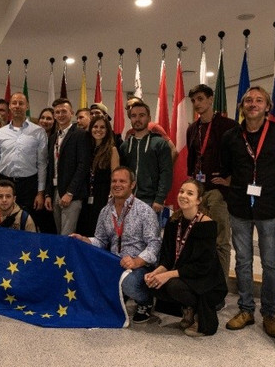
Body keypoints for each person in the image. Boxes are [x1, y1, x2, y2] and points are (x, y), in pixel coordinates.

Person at [220, 86, 275, 339]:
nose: (253, 103)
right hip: (239, 207)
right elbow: (226, 169)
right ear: (242, 106)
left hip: (269, 208)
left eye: (259, 100)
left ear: (268, 107)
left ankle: (269, 313)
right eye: (248, 100)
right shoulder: (231, 137)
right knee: (243, 261)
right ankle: (246, 309)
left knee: (270, 263)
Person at [71, 167, 161, 324]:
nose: (117, 184)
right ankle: (119, 295)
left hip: (139, 265)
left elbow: (154, 245)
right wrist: (85, 240)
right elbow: (101, 240)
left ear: (132, 185)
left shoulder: (145, 211)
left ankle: (145, 301)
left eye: (122, 181)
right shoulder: (105, 211)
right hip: (114, 262)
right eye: (114, 181)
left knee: (129, 283)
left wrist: (136, 261)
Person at [144, 179, 228, 336]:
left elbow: (202, 266)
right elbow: (167, 257)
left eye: (190, 193)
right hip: (184, 275)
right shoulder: (173, 221)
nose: (183, 196)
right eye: (181, 191)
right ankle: (187, 308)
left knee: (172, 285)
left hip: (205, 280)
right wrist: (157, 272)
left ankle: (197, 313)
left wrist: (167, 275)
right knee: (152, 283)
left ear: (199, 200)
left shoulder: (207, 225)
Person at [185, 84, 238, 280]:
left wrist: (229, 179)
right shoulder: (193, 128)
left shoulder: (228, 126)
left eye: (200, 99)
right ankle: (202, 281)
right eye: (193, 100)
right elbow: (191, 159)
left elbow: (239, 157)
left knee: (220, 240)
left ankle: (220, 287)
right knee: (197, 238)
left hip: (217, 191)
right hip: (198, 190)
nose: (196, 104)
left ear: (210, 99)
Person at [0, 92, 48, 231]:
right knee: (3, 225)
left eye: (21, 103)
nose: (17, 106)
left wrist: (40, 193)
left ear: (27, 106)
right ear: (10, 107)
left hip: (29, 186)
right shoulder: (0, 133)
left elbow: (42, 164)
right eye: (14, 103)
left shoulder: (38, 132)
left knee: (28, 223)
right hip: (4, 183)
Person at [118, 100, 173, 214]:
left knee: (150, 232)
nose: (137, 119)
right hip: (128, 200)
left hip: (151, 202)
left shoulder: (159, 143)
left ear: (149, 118)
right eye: (134, 116)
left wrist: (159, 198)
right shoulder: (125, 145)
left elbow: (166, 173)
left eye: (141, 115)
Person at [45, 98, 90, 235]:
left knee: (67, 235)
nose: (60, 115)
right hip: (56, 191)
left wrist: (70, 193)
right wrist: (48, 194)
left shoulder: (81, 134)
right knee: (59, 233)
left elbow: (83, 165)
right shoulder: (53, 138)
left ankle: (67, 257)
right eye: (57, 112)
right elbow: (51, 167)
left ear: (71, 113)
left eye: (64, 111)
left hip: (72, 194)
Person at [76, 115, 119, 236]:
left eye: (102, 127)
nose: (98, 130)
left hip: (102, 196)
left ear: (107, 130)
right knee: (83, 230)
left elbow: (115, 177)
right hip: (85, 196)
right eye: (95, 126)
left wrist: (112, 199)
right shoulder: (86, 148)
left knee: (97, 231)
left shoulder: (112, 150)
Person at [124, 96, 178, 161]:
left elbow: (174, 151)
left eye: (133, 106)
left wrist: (165, 169)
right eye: (128, 107)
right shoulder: (129, 133)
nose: (130, 109)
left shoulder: (154, 127)